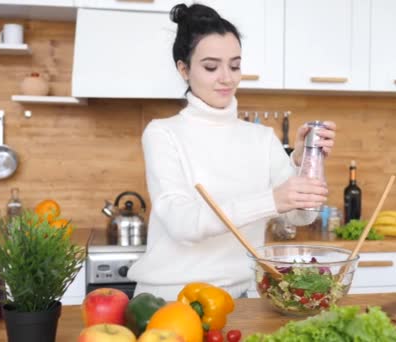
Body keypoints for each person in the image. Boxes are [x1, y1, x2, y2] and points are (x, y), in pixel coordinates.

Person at [128, 3, 336, 300]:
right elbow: (182, 224)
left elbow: (302, 217)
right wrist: (272, 199)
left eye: (235, 65)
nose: (226, 78)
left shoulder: (261, 138)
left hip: (239, 298)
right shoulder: (163, 133)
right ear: (183, 69)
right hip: (168, 298)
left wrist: (305, 162)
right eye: (211, 67)